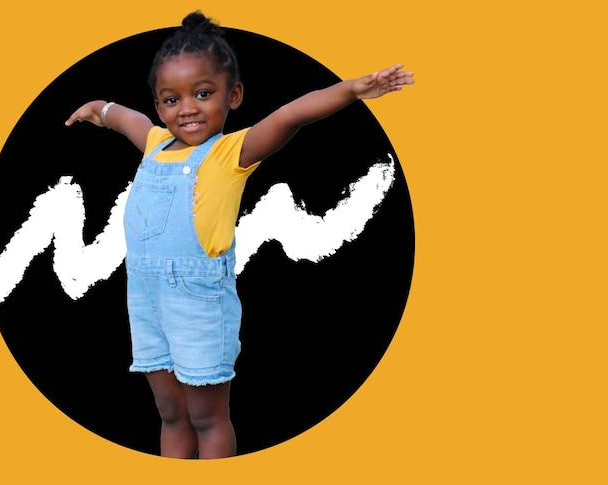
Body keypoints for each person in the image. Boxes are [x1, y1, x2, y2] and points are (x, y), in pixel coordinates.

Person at [65, 11, 413, 459]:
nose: (186, 108)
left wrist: (350, 90)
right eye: (171, 100)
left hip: (198, 301)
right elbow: (124, 117)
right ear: (159, 106)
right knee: (170, 412)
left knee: (207, 417)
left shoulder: (233, 151)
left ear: (234, 95)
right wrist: (100, 109)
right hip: (145, 296)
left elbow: (292, 115)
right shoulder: (154, 142)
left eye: (203, 94)